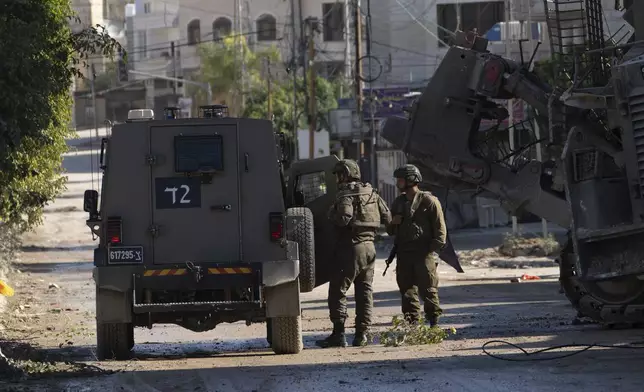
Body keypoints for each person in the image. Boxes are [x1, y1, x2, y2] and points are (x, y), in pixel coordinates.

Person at [316, 159, 391, 348]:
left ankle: (339, 335)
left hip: (351, 247)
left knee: (338, 291)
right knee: (365, 292)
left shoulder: (345, 194)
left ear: (345, 174)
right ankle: (362, 335)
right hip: (370, 248)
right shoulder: (371, 192)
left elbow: (343, 218)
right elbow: (388, 217)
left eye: (339, 175)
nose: (338, 179)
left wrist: (331, 214)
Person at [387, 164, 447, 327]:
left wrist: (431, 250)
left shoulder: (429, 201)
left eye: (400, 180)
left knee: (428, 289)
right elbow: (390, 230)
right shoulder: (398, 203)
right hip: (404, 253)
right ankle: (412, 323)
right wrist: (394, 223)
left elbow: (440, 230)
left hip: (423, 253)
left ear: (411, 180)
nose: (398, 183)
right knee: (407, 291)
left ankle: (433, 322)